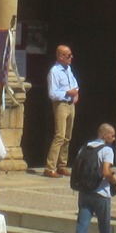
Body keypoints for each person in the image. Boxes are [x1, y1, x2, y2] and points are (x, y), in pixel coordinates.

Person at [74, 123, 116, 233]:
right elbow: (106, 172)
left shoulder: (84, 147)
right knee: (104, 228)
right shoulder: (107, 150)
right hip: (101, 193)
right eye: (112, 136)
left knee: (82, 227)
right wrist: (113, 179)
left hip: (84, 191)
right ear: (104, 135)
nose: (114, 139)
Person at [45, 45, 78, 178]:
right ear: (61, 57)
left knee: (67, 137)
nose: (71, 57)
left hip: (71, 104)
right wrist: (67, 92)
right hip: (61, 105)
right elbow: (52, 93)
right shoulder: (54, 71)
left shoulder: (68, 69)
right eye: (68, 55)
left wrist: (76, 93)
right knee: (59, 136)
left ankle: (62, 165)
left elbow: (75, 84)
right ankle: (50, 167)